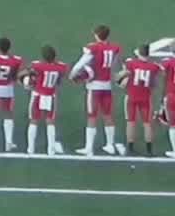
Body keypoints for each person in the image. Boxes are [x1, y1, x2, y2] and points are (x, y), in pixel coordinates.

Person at [71, 24, 122, 156]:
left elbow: (82, 62)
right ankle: (110, 145)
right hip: (107, 85)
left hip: (94, 87)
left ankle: (89, 148)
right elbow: (115, 64)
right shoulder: (113, 48)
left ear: (96, 35)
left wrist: (73, 73)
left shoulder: (93, 48)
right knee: (107, 115)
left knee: (92, 116)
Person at [23, 45, 67, 156]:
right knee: (50, 122)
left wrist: (28, 82)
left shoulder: (37, 65)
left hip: (38, 95)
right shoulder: (61, 67)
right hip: (50, 96)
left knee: (34, 121)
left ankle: (30, 148)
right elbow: (59, 81)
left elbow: (27, 72)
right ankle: (51, 150)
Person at [119, 45, 160, 157]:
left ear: (139, 53)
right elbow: (154, 84)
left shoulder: (131, 64)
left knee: (131, 122)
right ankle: (149, 150)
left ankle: (130, 148)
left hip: (131, 96)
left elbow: (122, 79)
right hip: (145, 97)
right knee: (147, 123)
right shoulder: (154, 67)